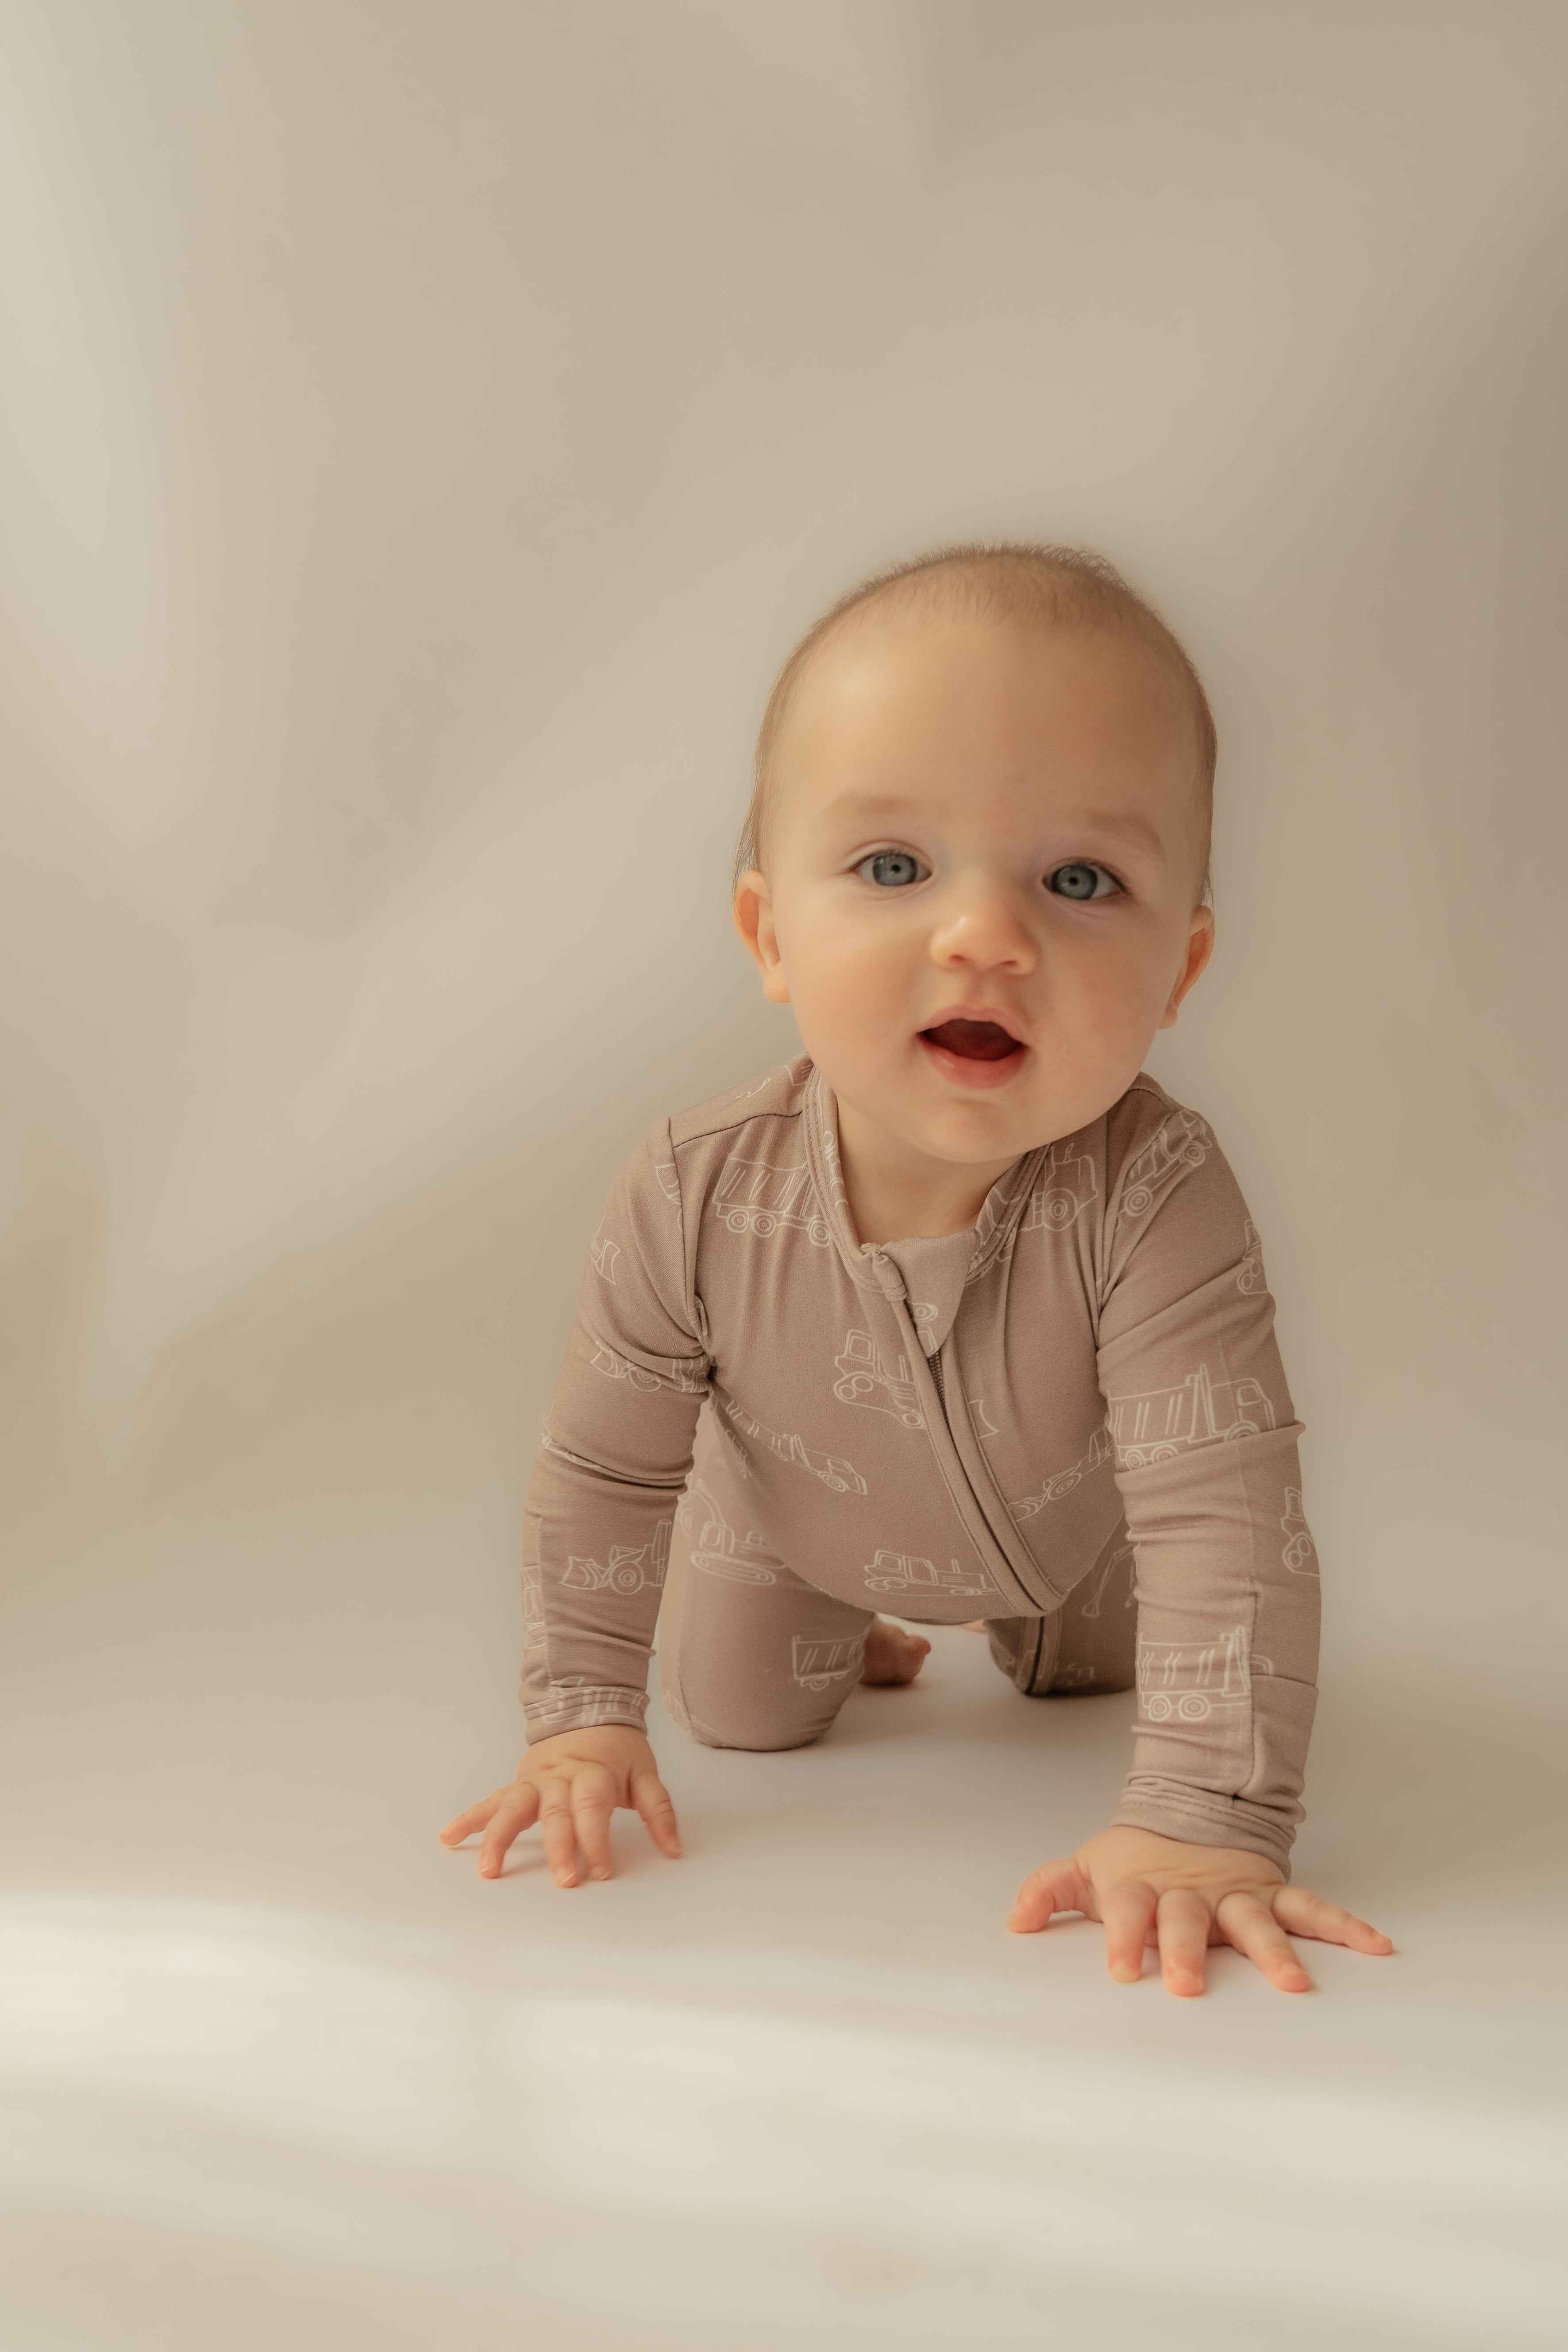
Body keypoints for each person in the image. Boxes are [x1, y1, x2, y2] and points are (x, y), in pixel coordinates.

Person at [439, 539, 1396, 1998]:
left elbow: (1226, 1511)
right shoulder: (695, 1190)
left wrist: (1207, 1820)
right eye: (895, 866)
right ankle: (851, 1613)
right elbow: (606, 1471)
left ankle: (1036, 1612)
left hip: (1071, 1529)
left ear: (1181, 971)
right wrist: (578, 1713)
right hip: (800, 1526)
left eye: (1081, 878)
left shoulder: (1156, 1190)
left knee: (1097, 1661)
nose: (986, 936)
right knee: (739, 1713)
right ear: (770, 932)